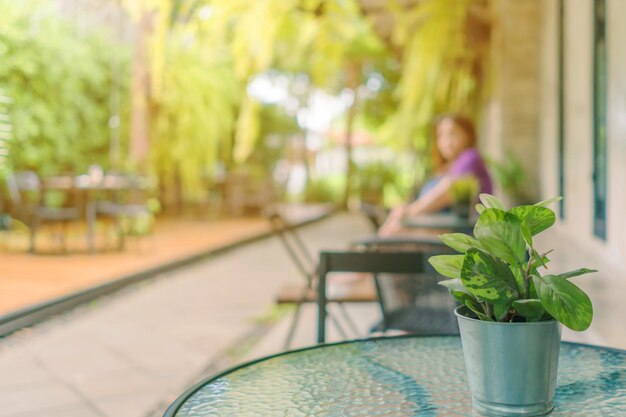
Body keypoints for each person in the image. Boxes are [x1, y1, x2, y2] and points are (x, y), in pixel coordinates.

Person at [379, 113, 492, 236]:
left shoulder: (470, 157)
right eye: (440, 135)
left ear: (468, 135)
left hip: (461, 236)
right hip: (435, 230)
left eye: (452, 133)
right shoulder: (446, 169)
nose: (445, 141)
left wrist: (409, 212)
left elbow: (446, 193)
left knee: (395, 232)